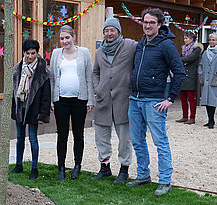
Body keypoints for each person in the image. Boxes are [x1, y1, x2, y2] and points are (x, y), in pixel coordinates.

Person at [125, 8, 185, 197]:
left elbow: (180, 72)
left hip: (154, 101)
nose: (148, 25)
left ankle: (165, 180)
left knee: (160, 142)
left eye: (152, 22)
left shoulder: (166, 45)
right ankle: (143, 175)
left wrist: (170, 99)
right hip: (135, 99)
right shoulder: (141, 44)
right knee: (137, 141)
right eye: (145, 22)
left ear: (159, 24)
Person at [91, 17, 136, 183]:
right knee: (101, 136)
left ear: (118, 31)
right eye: (106, 30)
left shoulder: (130, 46)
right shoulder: (100, 51)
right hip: (103, 100)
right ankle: (105, 167)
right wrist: (97, 88)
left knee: (124, 138)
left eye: (112, 30)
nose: (109, 33)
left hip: (123, 100)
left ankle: (124, 170)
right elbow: (95, 72)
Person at [50, 25, 94, 180]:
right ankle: (61, 167)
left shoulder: (84, 53)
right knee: (62, 135)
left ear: (73, 37)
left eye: (67, 38)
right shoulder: (56, 54)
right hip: (61, 100)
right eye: (62, 38)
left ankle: (77, 165)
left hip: (79, 100)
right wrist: (52, 101)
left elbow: (89, 77)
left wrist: (90, 99)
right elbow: (52, 78)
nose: (64, 41)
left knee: (78, 134)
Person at [10, 39, 51, 180]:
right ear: (23, 53)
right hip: (20, 107)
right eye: (28, 53)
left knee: (33, 138)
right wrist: (13, 108)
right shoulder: (17, 69)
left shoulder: (43, 71)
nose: (30, 56)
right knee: (19, 138)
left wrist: (43, 115)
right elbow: (13, 90)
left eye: (33, 53)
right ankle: (19, 164)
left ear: (37, 53)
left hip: (34, 109)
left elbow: (46, 95)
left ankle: (34, 168)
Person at [198, 33, 217, 129]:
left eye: (213, 40)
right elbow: (201, 65)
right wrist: (200, 73)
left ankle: (212, 120)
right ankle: (210, 119)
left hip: (214, 79)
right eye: (210, 40)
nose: (211, 41)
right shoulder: (206, 52)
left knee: (213, 100)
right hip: (205, 79)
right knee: (206, 100)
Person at [175, 31, 203, 125]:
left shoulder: (197, 49)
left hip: (191, 75)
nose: (184, 40)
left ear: (192, 39)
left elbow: (190, 58)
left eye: (186, 38)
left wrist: (179, 60)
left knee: (191, 98)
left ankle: (192, 117)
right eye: (184, 38)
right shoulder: (184, 49)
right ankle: (184, 116)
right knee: (183, 97)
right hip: (183, 74)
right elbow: (182, 59)